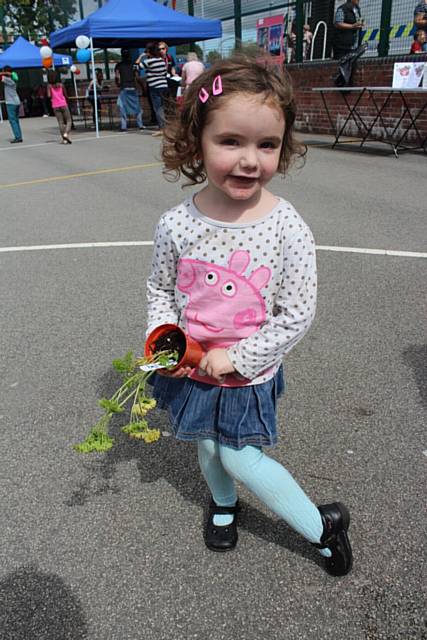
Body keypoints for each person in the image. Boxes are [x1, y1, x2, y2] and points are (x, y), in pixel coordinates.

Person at [146, 55, 353, 577]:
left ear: (283, 148)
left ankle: (318, 525)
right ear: (198, 140)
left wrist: (237, 356)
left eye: (267, 145)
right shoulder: (176, 223)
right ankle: (222, 504)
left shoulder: (286, 227)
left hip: (247, 370)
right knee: (207, 447)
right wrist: (161, 335)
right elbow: (160, 288)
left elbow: (296, 312)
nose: (249, 160)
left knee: (239, 454)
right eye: (230, 141)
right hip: (192, 364)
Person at [136, 43, 168, 137]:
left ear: (149, 51)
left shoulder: (148, 62)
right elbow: (165, 72)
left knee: (157, 108)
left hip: (154, 87)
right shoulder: (161, 61)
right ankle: (164, 127)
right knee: (162, 107)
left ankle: (162, 128)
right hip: (164, 86)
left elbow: (136, 67)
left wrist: (141, 56)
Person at [114, 49, 144, 132]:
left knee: (122, 107)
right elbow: (137, 77)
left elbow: (117, 76)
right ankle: (140, 125)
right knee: (137, 107)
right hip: (133, 87)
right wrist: (142, 87)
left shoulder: (119, 65)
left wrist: (118, 84)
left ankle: (124, 127)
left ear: (121, 55)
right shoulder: (133, 64)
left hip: (124, 88)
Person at [47, 70, 72, 144]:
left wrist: (51, 92)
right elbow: (66, 95)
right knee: (69, 120)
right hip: (63, 104)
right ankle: (66, 134)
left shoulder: (49, 86)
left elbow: (49, 96)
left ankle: (64, 139)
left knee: (60, 122)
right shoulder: (61, 85)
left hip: (55, 105)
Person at [1, 66, 23, 143]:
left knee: (12, 120)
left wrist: (3, 73)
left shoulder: (7, 79)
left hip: (11, 102)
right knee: (16, 120)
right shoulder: (14, 79)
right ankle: (19, 136)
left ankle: (18, 137)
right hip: (17, 101)